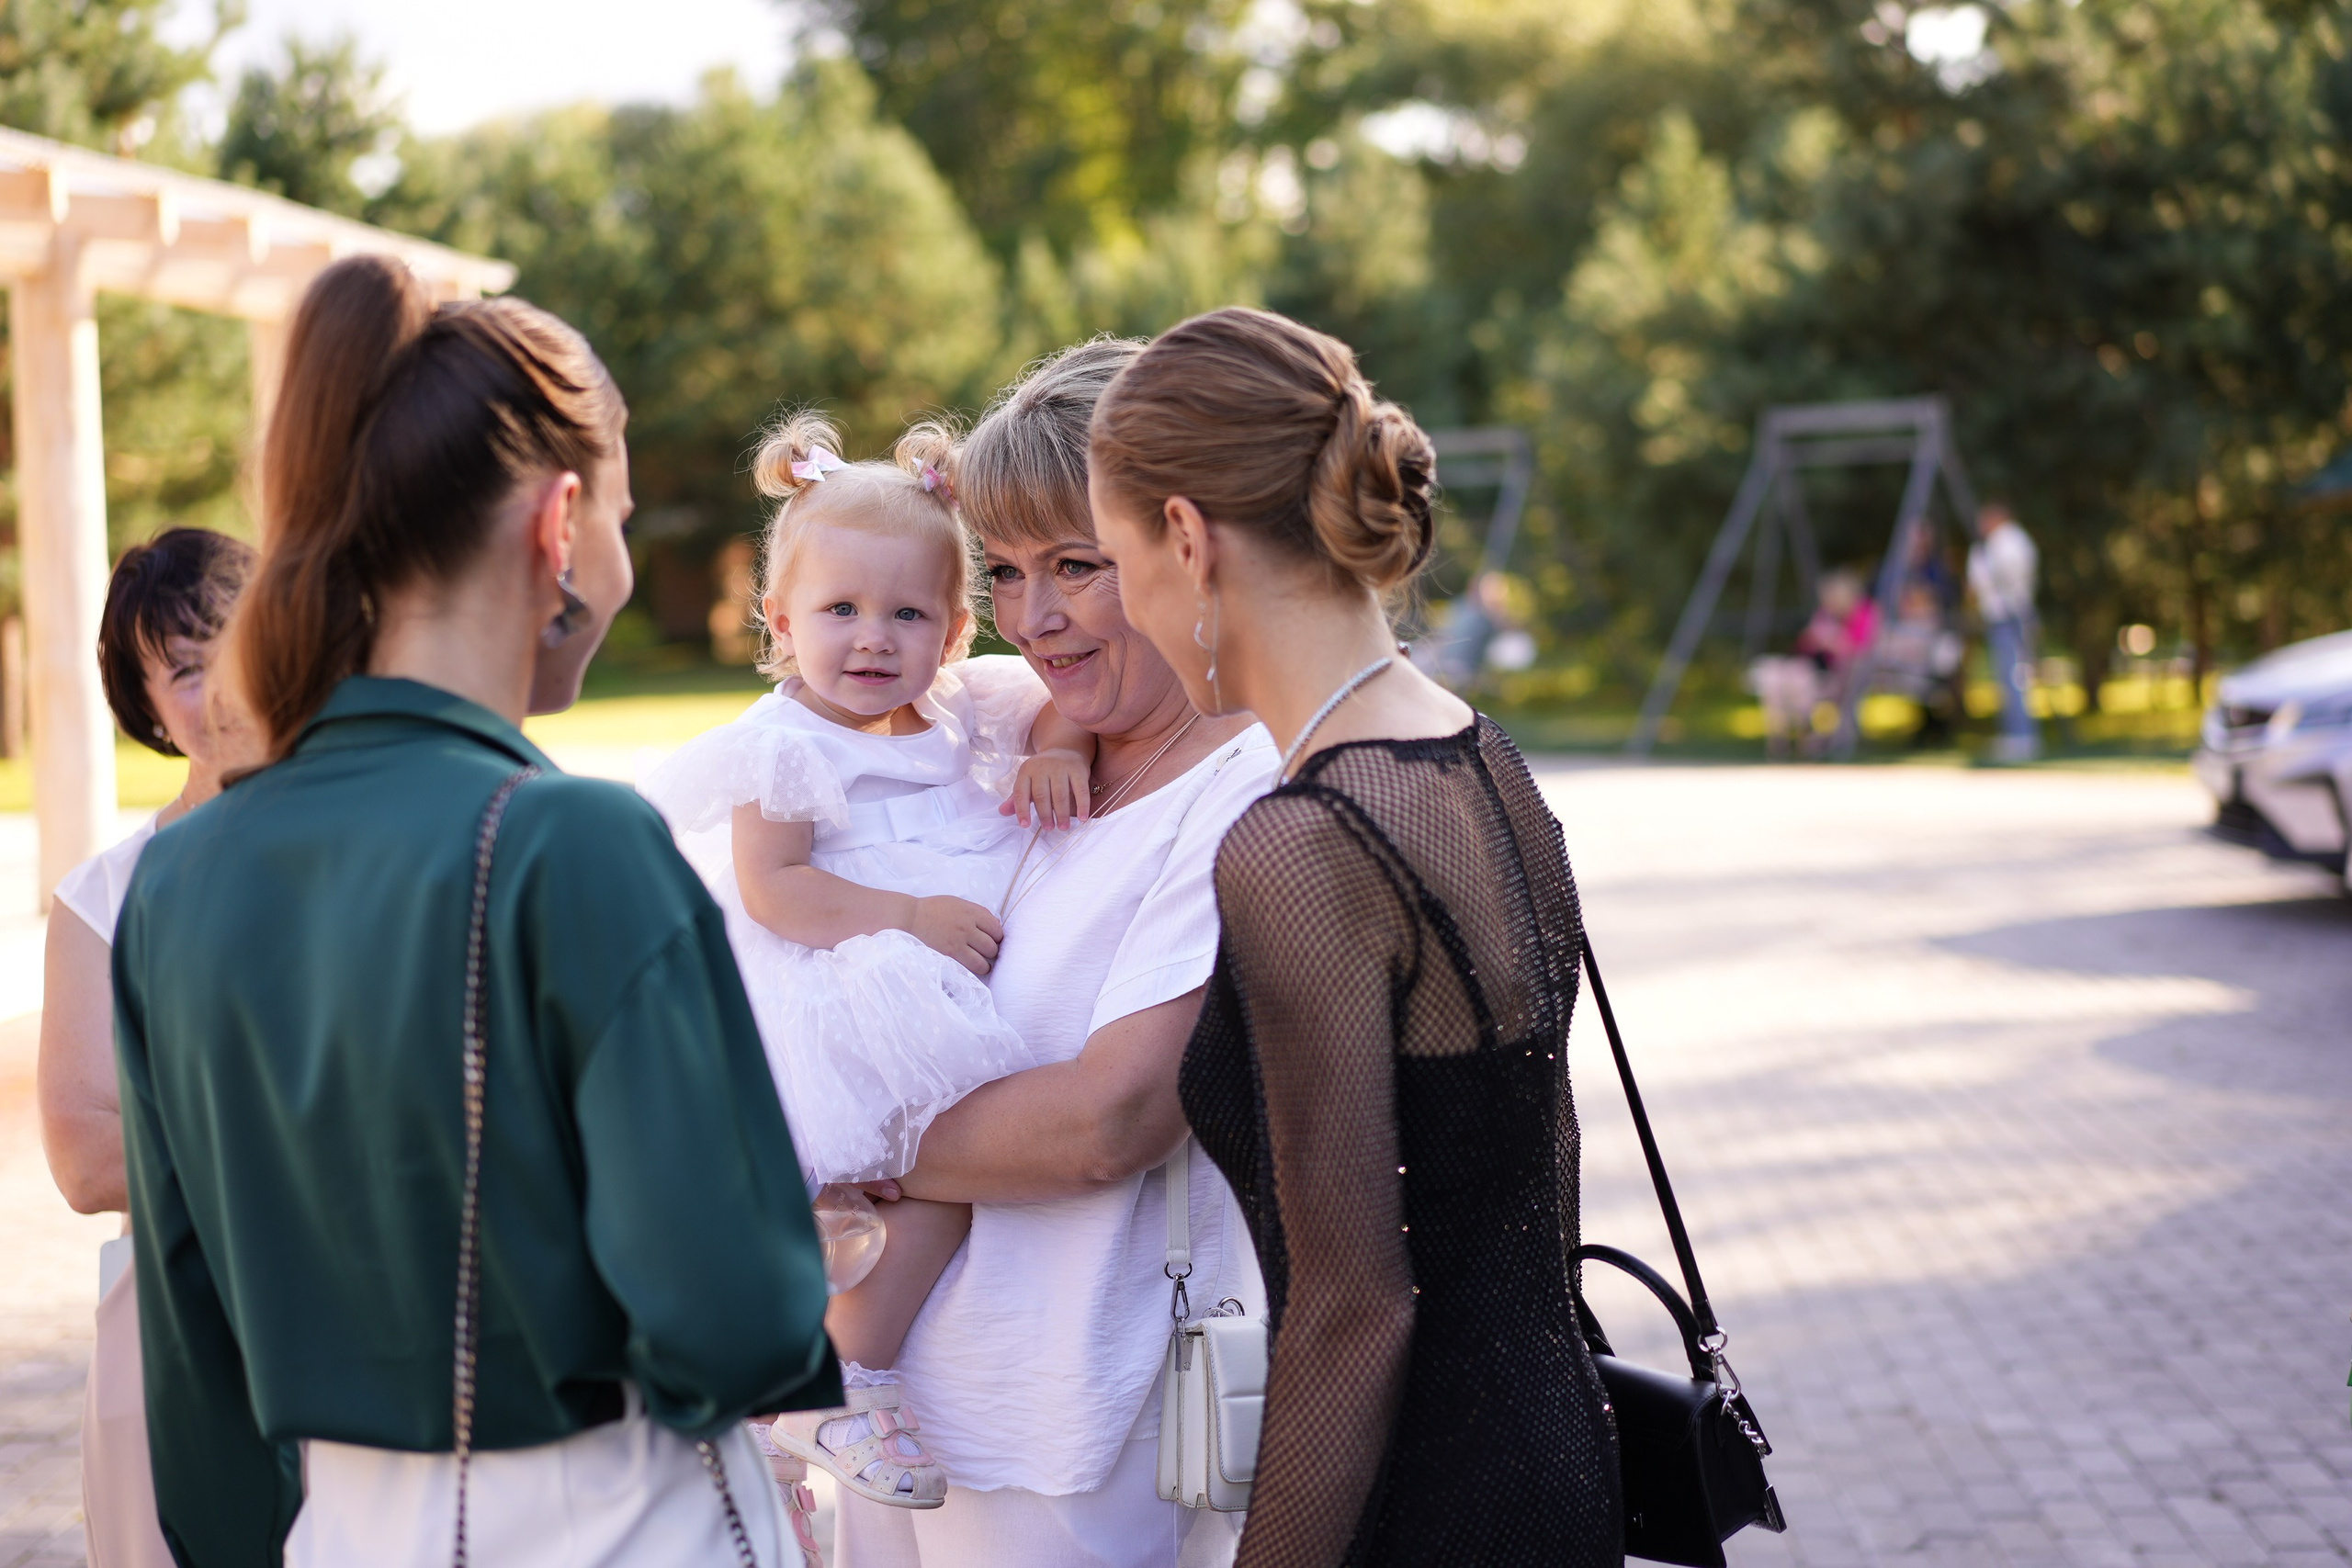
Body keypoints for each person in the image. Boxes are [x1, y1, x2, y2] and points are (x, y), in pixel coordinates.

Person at [110, 255, 839, 1568]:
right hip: (628, 1524)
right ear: (560, 526)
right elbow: (731, 1317)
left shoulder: (174, 880)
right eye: (620, 513)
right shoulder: (577, 842)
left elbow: (194, 1366)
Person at [1086, 306, 1623, 1566]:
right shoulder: (1483, 755)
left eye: (1113, 564)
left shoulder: (1303, 839)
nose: (1131, 611)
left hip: (1430, 1494)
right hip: (1559, 1448)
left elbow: (1350, 1307)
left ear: (1184, 536)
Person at [827, 338, 1277, 1568]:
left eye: (1079, 565)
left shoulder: (1244, 789)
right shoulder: (994, 715)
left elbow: (1109, 1120)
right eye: (1010, 572)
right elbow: (823, 704)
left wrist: (845, 1128)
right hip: (892, 1407)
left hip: (1075, 1424)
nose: (1038, 619)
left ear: (1183, 543)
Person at [638, 412, 1097, 1509]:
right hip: (829, 996)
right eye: (839, 610)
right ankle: (842, 1384)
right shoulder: (783, 744)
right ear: (779, 620)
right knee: (912, 1190)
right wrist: (909, 916)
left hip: (899, 998)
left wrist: (1064, 750)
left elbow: (1058, 708)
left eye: (905, 613)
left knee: (905, 1201)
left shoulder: (959, 710)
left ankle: (775, 1421)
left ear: (951, 635)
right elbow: (776, 889)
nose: (871, 639)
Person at [37, 526, 254, 1568]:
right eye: (181, 669)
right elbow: (82, 1157)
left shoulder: (388, 856)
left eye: (238, 643)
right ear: (145, 704)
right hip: (179, 1321)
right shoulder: (103, 899)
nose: (221, 689)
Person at [1749, 568, 1876, 758]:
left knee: (1797, 679)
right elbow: (1805, 645)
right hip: (1811, 666)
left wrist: (1831, 642)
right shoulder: (1826, 615)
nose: (1828, 601)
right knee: (1771, 676)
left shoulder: (1863, 614)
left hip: (1838, 674)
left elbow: (1858, 651)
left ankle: (1803, 734)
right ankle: (1785, 736)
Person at [1968, 500, 2041, 761]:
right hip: (2006, 615)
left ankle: (2021, 737)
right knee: (2009, 676)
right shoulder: (2003, 543)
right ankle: (2016, 734)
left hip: (2009, 615)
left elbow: (1999, 578)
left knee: (2014, 676)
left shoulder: (2008, 542)